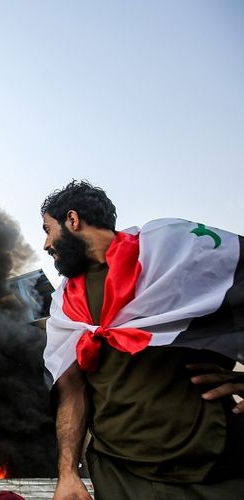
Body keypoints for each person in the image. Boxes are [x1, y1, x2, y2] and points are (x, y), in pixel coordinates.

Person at [41, 180, 244, 500]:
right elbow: (71, 391)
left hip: (210, 468)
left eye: (47, 230)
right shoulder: (65, 304)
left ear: (72, 220)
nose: (46, 244)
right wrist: (67, 473)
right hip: (119, 475)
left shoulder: (170, 251)